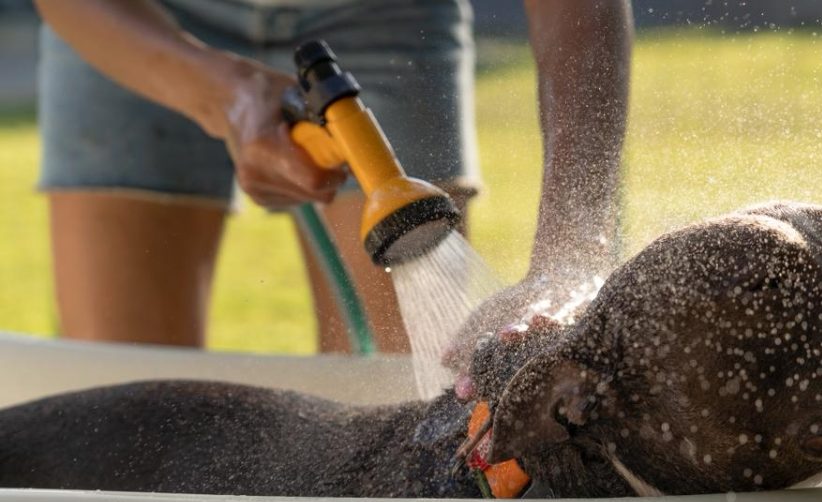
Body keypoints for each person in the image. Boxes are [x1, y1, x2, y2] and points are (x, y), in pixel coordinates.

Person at [33, 0, 631, 359]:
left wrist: (572, 252)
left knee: (416, 398)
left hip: (381, 13)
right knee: (128, 396)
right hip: (141, 15)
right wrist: (227, 97)